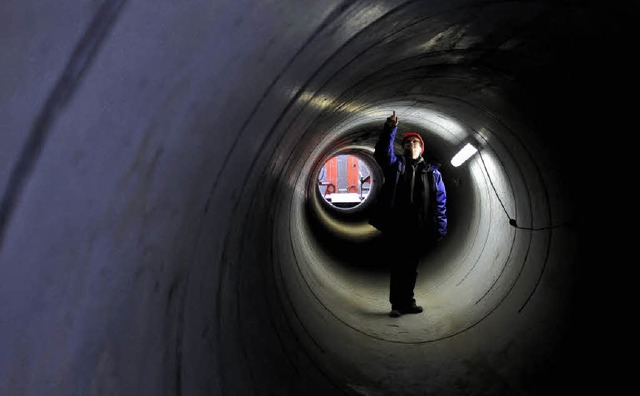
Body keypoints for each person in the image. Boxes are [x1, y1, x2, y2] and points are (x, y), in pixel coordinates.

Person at [369, 111, 448, 318]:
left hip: (419, 227)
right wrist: (390, 128)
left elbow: (440, 203)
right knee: (398, 266)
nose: (411, 144)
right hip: (398, 226)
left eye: (415, 142)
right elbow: (382, 154)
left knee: (411, 268)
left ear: (421, 148)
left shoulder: (433, 173)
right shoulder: (397, 166)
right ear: (403, 148)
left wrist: (440, 229)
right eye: (407, 142)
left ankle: (409, 302)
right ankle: (396, 304)